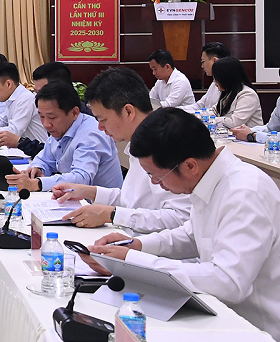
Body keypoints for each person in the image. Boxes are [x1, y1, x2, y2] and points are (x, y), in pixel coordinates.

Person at [86, 109, 280, 342]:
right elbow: (192, 235)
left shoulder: (245, 192)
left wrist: (134, 261)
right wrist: (136, 245)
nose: (156, 184)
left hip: (257, 327)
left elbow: (228, 282)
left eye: (157, 176)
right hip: (220, 313)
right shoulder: (210, 179)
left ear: (189, 166)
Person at [51, 68, 190, 232]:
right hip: (132, 238)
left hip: (152, 244)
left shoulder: (166, 144)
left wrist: (112, 215)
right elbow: (132, 201)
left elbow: (181, 219)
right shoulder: (139, 142)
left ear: (128, 111)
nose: (100, 127)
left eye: (103, 119)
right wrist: (89, 192)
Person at [6, 81, 123, 192]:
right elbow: (45, 159)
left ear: (74, 113)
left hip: (99, 204)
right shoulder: (61, 128)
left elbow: (81, 178)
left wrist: (38, 184)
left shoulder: (91, 135)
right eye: (41, 117)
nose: (46, 124)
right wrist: (37, 169)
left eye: (52, 117)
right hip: (73, 200)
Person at [205, 56, 262, 129]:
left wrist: (210, 120)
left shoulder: (248, 95)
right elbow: (214, 111)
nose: (214, 82)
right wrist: (198, 116)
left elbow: (234, 123)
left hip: (248, 136)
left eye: (217, 78)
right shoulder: (228, 93)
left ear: (227, 77)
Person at [182, 42, 230, 113]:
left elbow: (215, 113)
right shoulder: (214, 83)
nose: (202, 66)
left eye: (203, 61)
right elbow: (199, 106)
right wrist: (176, 110)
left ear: (214, 61)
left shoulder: (229, 85)